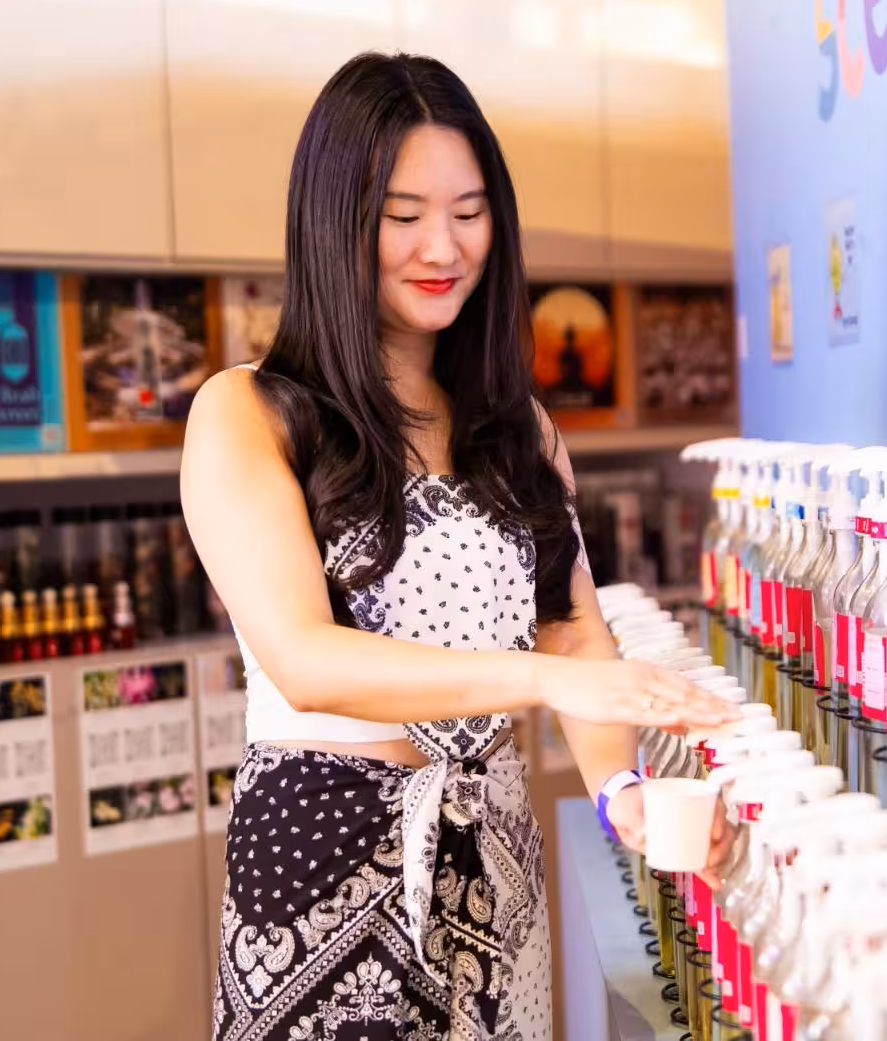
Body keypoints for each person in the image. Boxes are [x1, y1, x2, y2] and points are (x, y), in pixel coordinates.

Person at [180, 51, 737, 1041]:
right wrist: (539, 682)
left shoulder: (516, 423)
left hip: (493, 864)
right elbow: (305, 660)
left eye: (470, 211)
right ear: (333, 219)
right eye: (403, 215)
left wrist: (622, 790)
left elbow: (572, 632)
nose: (442, 244)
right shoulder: (250, 412)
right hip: (323, 868)